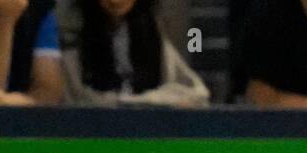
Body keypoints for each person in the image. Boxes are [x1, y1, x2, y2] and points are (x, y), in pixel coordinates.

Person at [58, 0, 210, 106]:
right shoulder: (74, 42)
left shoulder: (153, 34)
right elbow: (76, 98)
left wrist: (152, 102)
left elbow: (197, 92)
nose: (115, 1)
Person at [0, 0, 65, 105]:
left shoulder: (38, 9)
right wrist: (4, 20)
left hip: (16, 117)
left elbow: (48, 92)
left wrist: (17, 102)